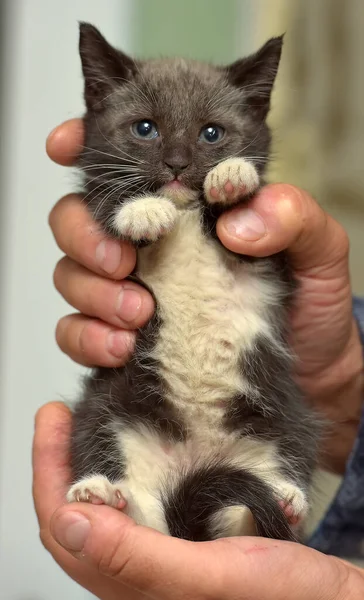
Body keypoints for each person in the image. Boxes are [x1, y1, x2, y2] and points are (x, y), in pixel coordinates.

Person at [33, 118, 364, 599]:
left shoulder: (239, 215)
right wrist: (117, 213)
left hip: (247, 433)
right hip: (151, 427)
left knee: (286, 429)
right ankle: (134, 508)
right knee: (106, 411)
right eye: (146, 129)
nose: (178, 158)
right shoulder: (129, 206)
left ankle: (252, 507)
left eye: (211, 134)